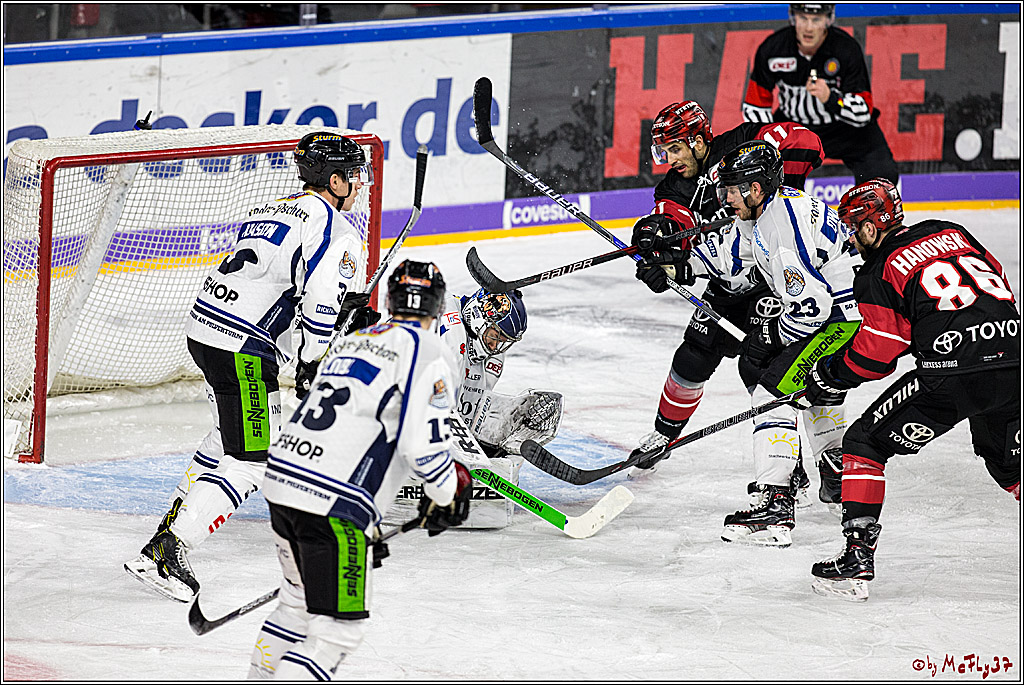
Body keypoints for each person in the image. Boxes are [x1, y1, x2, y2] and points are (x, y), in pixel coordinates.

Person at [124, 132, 381, 602]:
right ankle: (168, 550)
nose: (361, 184)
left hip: (205, 328)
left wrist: (344, 311)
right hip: (242, 348)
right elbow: (320, 302)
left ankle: (174, 523)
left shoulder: (276, 207)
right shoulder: (339, 232)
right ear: (336, 179)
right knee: (253, 460)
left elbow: (284, 283)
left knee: (228, 437)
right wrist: (312, 358)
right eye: (355, 176)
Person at [249, 260, 472, 679]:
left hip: (282, 480)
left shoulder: (355, 341)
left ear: (390, 300)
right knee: (338, 633)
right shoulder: (430, 353)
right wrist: (446, 492)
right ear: (438, 307)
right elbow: (421, 447)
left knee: (296, 605)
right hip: (332, 500)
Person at [803, 179, 1020, 600]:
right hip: (1013, 360)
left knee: (864, 443)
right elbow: (999, 284)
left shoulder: (876, 269)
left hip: (951, 376)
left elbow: (875, 357)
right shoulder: (953, 231)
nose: (851, 238)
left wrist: (827, 375)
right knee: (1010, 468)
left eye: (853, 227)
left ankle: (856, 560)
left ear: (871, 227)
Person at [630, 99, 832, 508]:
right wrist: (654, 242)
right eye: (664, 152)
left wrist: (775, 149)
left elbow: (810, 144)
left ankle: (800, 468)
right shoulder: (675, 185)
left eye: (675, 149)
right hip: (727, 276)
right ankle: (664, 435)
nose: (669, 160)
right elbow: (673, 224)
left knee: (763, 371)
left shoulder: (741, 143)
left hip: (776, 279)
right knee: (692, 357)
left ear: (698, 139)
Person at [714, 140, 862, 547]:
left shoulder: (780, 231)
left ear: (756, 189)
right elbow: (733, 264)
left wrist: (772, 336)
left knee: (771, 393)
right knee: (811, 390)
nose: (726, 198)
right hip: (843, 315)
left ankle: (775, 507)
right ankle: (836, 476)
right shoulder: (768, 208)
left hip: (837, 323)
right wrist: (675, 257)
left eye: (733, 189)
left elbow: (813, 307)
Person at [385, 287, 563, 529]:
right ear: (479, 317)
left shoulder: (487, 347)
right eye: (496, 336)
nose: (497, 346)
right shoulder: (450, 332)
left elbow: (466, 406)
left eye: (505, 342)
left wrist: (494, 442)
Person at [742, 3, 899, 184]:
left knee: (882, 174)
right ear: (793, 17)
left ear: (828, 20)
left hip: (844, 129)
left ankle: (871, 211)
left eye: (816, 20)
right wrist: (768, 144)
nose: (809, 28)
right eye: (803, 18)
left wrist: (831, 99)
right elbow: (755, 105)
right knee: (765, 175)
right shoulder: (773, 49)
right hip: (795, 129)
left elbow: (863, 112)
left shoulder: (846, 49)